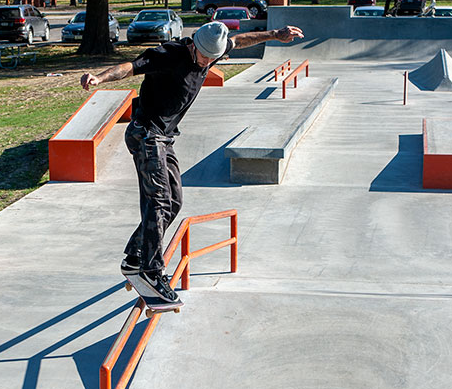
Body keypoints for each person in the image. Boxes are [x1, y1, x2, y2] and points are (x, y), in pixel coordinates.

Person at [80, 21, 304, 306]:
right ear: (194, 45)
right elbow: (129, 67)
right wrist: (99, 78)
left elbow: (242, 39)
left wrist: (275, 34)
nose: (208, 63)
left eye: (213, 59)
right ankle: (150, 270)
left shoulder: (213, 50)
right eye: (204, 58)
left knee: (173, 202)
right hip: (146, 135)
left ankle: (136, 254)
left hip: (164, 138)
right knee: (159, 200)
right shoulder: (169, 54)